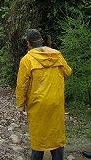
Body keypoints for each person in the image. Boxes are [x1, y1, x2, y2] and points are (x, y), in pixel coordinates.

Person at [16, 29, 72, 160]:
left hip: (38, 105)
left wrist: (20, 104)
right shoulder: (57, 55)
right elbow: (68, 72)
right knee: (56, 135)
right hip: (56, 102)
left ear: (28, 44)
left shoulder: (27, 60)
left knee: (38, 137)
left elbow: (22, 85)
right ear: (41, 40)